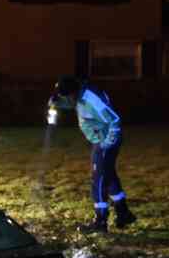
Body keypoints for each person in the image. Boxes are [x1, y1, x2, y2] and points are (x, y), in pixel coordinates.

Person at [48, 75, 137, 234]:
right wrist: (58, 103)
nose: (67, 99)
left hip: (105, 140)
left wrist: (107, 143)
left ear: (73, 92)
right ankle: (124, 213)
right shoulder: (79, 95)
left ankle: (100, 221)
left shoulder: (91, 99)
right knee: (108, 176)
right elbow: (73, 104)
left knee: (99, 180)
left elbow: (114, 119)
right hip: (100, 139)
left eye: (66, 96)